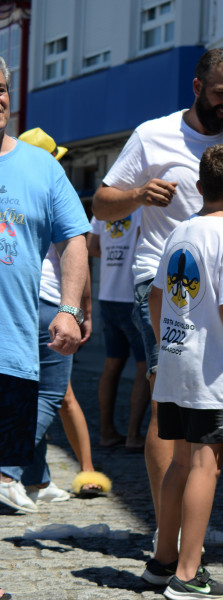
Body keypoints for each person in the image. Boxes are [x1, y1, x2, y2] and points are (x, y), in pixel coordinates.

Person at [92, 47, 223, 548]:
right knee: (165, 395)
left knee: (202, 402)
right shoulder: (152, 135)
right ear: (197, 88)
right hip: (161, 277)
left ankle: (183, 523)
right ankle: (168, 528)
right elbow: (102, 203)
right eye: (221, 93)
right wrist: (137, 196)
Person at [144, 143, 223, 599]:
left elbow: (156, 297)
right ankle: (189, 573)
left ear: (199, 187)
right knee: (205, 465)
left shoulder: (181, 231)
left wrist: (167, 342)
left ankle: (162, 561)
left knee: (179, 462)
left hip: (176, 364)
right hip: (211, 371)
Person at [0, 56, 89, 521]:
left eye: (0, 88)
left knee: (2, 480)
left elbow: (74, 238)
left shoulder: (41, 168)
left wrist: (70, 307)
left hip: (12, 350)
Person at [88, 209, 149, 451]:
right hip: (132, 296)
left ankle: (106, 432)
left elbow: (91, 245)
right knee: (145, 366)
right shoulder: (143, 207)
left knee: (112, 363)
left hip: (108, 294)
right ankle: (133, 435)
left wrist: (112, 259)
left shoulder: (104, 207)